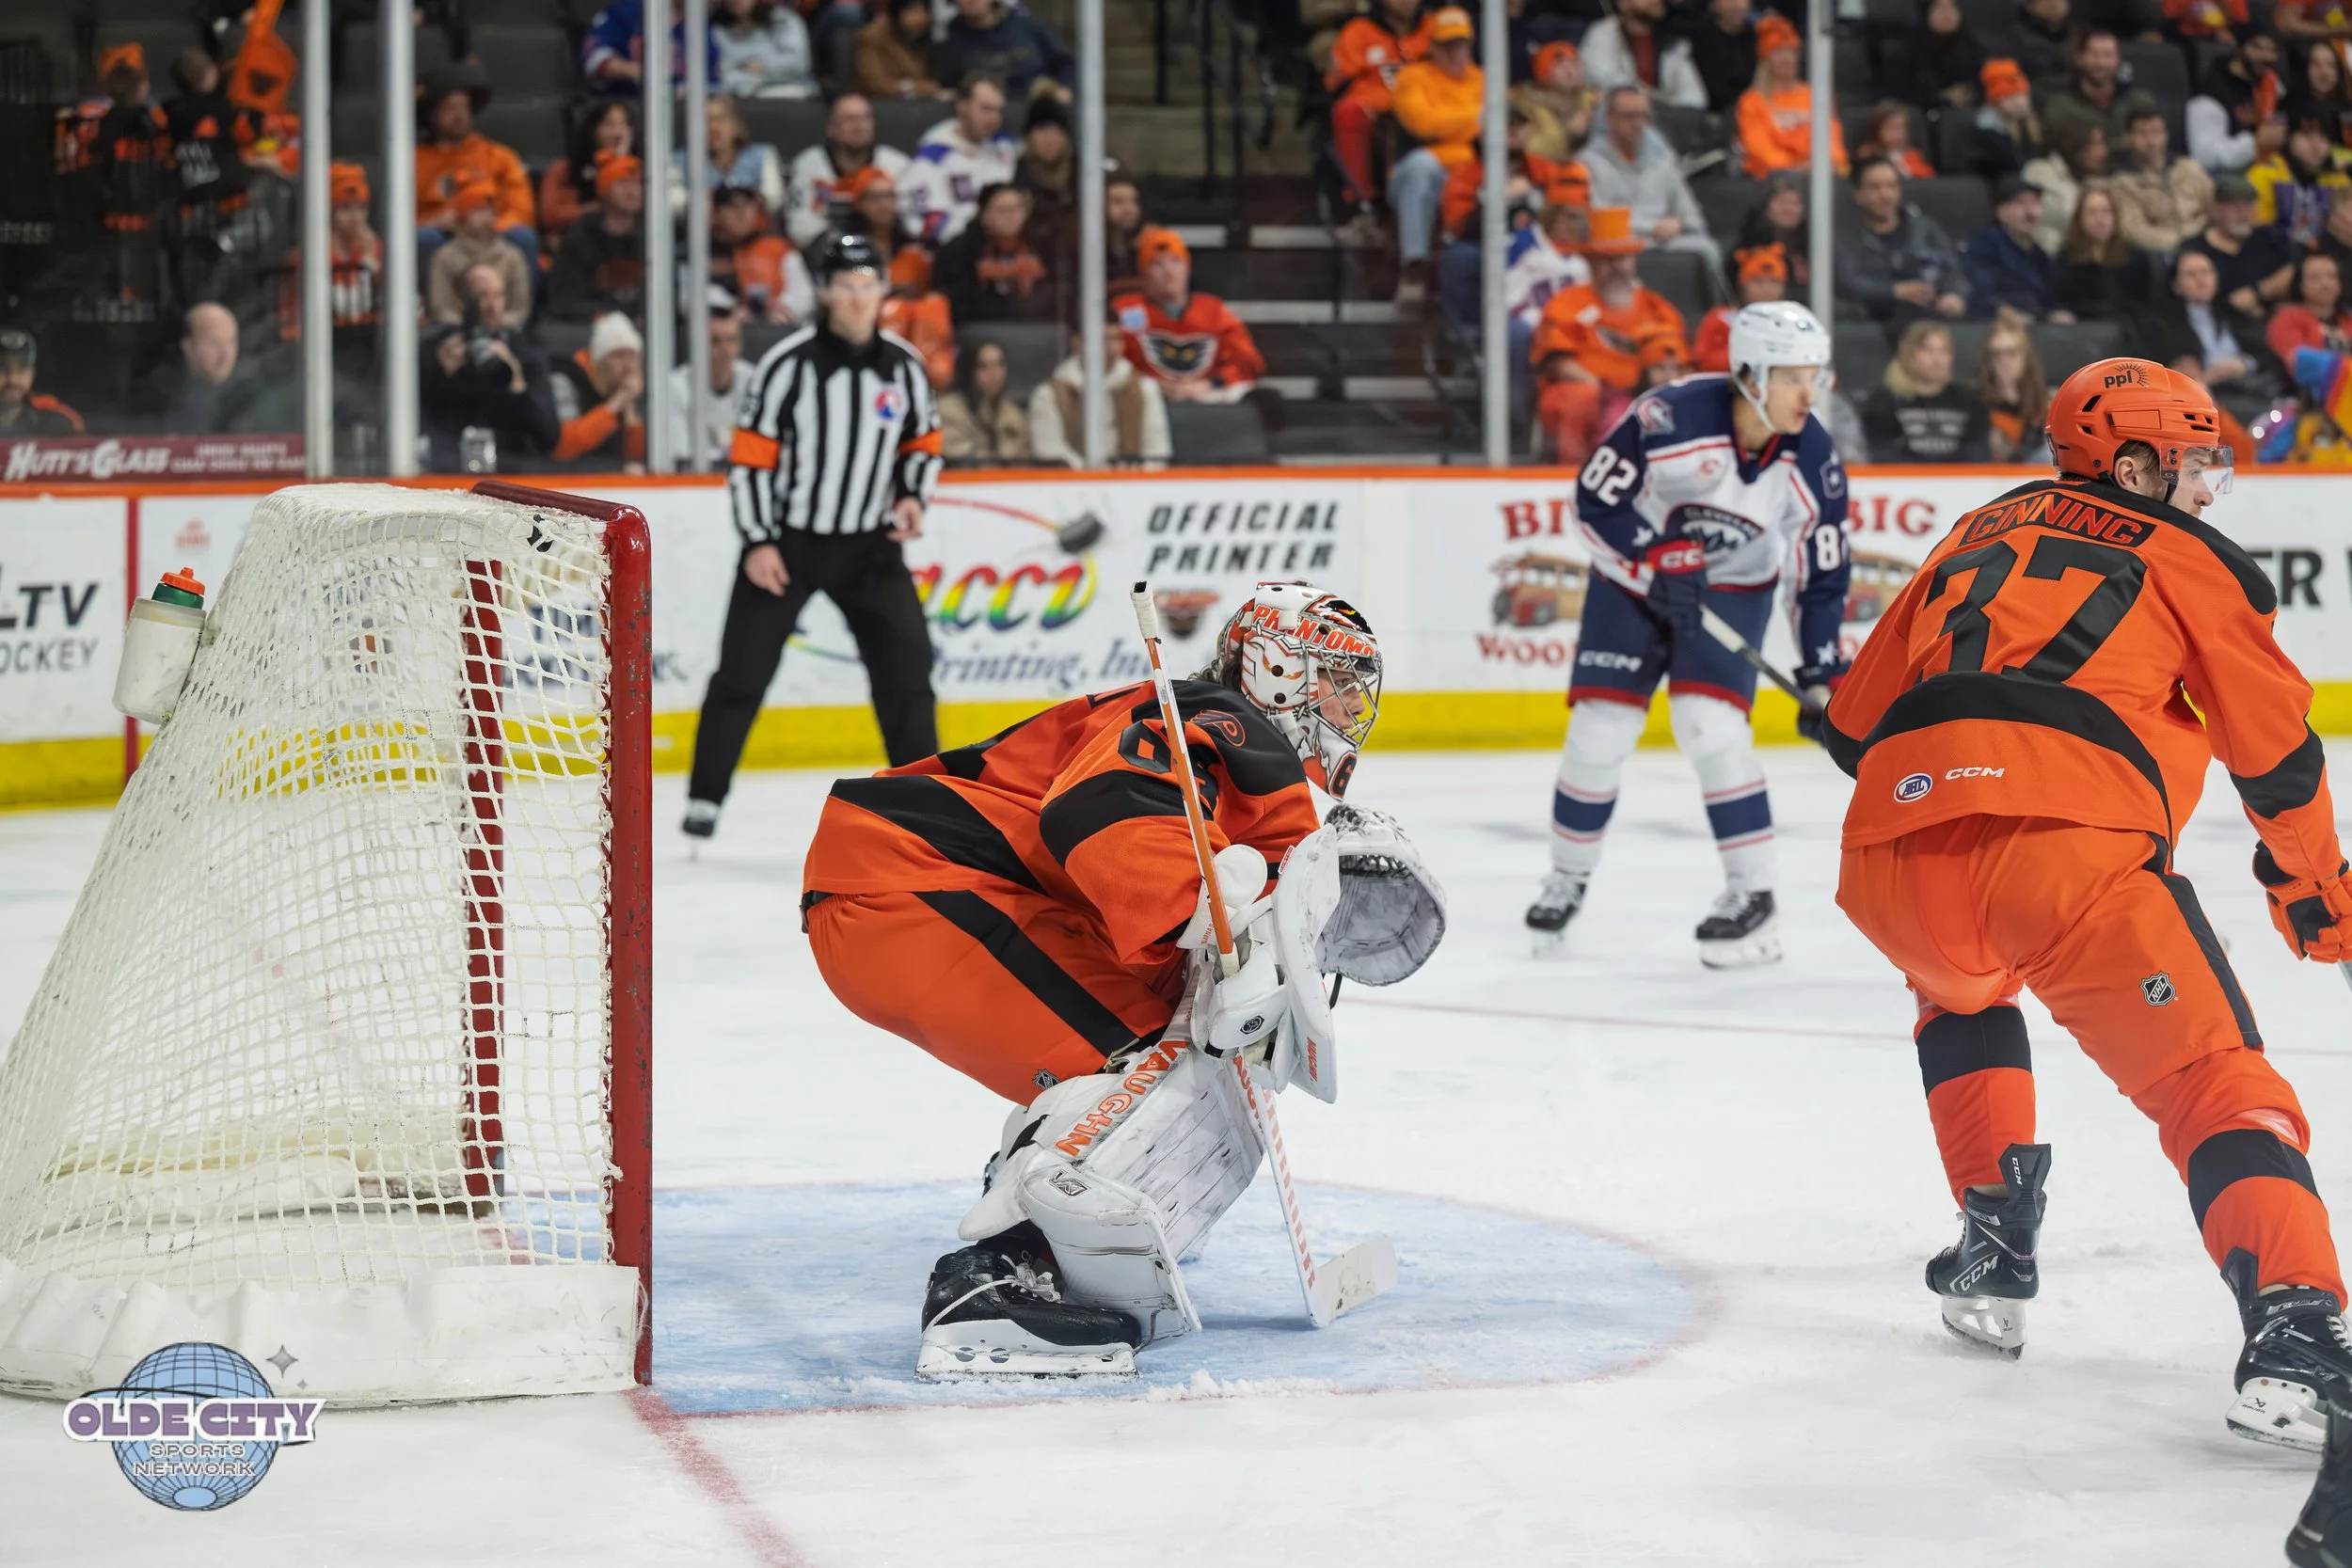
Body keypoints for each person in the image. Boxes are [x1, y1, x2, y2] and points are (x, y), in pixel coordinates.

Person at [1820, 361, 2352, 1508]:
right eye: (2194, 463)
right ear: (2132, 460)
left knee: (1960, 989)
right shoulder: (2192, 557)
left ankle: (1992, 1240)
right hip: (2066, 851)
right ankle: (2298, 1328)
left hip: (1892, 857)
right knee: (2211, 1080)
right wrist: (2312, 883)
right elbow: (2275, 750)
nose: (2206, 488)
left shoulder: (1974, 527)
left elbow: (1850, 727)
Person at [795, 584, 1428, 1379]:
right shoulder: (1221, 722)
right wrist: (1203, 912)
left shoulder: (1252, 772)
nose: (1350, 706)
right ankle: (992, 1281)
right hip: (914, 879)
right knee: (1162, 1057)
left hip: (924, 888)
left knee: (1186, 1040)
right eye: (1334, 680)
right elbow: (1096, 808)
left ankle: (1076, 1223)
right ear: (1274, 672)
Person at [1525, 300, 1848, 966]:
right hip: (1633, 582)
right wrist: (1651, 556)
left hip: (1734, 587)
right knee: (1598, 731)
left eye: (1814, 376)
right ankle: (1567, 875)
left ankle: (1754, 895)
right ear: (1750, 375)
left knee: (1711, 727)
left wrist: (1821, 671)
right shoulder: (1666, 419)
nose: (1807, 394)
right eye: (1792, 378)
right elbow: (1594, 502)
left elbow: (1821, 571)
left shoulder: (1813, 456)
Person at [685, 233, 944, 838]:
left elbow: (923, 442)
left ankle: (926, 807)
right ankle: (704, 797)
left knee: (908, 674)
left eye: (867, 285)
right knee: (741, 674)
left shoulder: (904, 366)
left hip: (871, 547)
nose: (857, 298)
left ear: (883, 291)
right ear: (825, 292)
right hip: (789, 546)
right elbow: (750, 460)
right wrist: (757, 540)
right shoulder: (787, 367)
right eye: (845, 286)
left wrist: (911, 496)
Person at [1531, 206, 1687, 465]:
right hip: (1591, 391)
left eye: (1621, 258)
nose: (1615, 267)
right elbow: (1557, 362)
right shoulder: (1566, 303)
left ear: (1633, 261)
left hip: (1644, 392)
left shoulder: (1658, 310)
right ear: (1591, 262)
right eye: (1605, 259)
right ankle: (1573, 474)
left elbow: (1675, 365)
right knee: (1577, 398)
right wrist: (1603, 391)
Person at [1388, 7, 1486, 303]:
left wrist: (1452, 125)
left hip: (1470, 173)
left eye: (1461, 44)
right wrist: (1475, 121)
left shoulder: (1483, 79)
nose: (1455, 53)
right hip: (1418, 175)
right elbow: (1424, 124)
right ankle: (1414, 267)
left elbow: (1501, 125)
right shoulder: (1412, 77)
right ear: (1432, 46)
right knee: (1421, 166)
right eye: (1447, 46)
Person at [420, 263, 558, 472]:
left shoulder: (526, 352)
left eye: (498, 296)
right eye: (482, 297)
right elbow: (420, 431)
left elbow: (549, 436)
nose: (493, 307)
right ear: (460, 302)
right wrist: (443, 378)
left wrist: (517, 384)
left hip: (513, 467)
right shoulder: (436, 351)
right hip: (450, 468)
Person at [1114, 227, 1268, 402]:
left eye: (1176, 261)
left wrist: (1212, 383)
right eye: (1157, 264)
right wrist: (1155, 385)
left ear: (1187, 268)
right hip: (1144, 400)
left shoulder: (1214, 311)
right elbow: (1111, 364)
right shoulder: (1126, 310)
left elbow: (1249, 362)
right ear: (1143, 274)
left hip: (1206, 398)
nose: (1168, 272)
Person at [414, 65, 539, 272]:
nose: (459, 115)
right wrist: (434, 222)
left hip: (493, 238)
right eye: (449, 108)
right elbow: (399, 221)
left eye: (464, 108)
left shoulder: (500, 156)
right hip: (443, 239)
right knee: (423, 238)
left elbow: (521, 211)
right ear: (433, 114)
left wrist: (487, 225)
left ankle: (519, 296)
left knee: (522, 237)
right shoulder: (414, 161)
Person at [1585, 85, 1720, 265]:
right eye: (1630, 116)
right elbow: (1595, 220)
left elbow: (1694, 219)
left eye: (1644, 116)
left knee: (1708, 249)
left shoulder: (1662, 164)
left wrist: (1679, 225)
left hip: (1667, 243)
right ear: (1609, 118)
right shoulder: (1588, 163)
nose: (1638, 124)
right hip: (1618, 248)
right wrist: (1651, 227)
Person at [1327, 0, 1437, 217]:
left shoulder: (1435, 27)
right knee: (1348, 113)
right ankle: (1359, 206)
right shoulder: (1358, 31)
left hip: (1430, 108)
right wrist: (1387, 102)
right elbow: (1338, 85)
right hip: (1377, 112)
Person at [2150, 245, 2280, 418]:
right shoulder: (2164, 323)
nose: (2200, 280)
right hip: (2207, 395)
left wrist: (2246, 363)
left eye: (2206, 272)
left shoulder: (2231, 312)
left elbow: (2266, 350)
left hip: (2250, 386)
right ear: (2176, 285)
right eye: (2191, 274)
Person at [1837, 155, 1970, 324]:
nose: (1885, 195)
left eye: (1891, 186)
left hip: (1926, 319)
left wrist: (1954, 295)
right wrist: (1894, 291)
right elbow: (1847, 282)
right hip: (1868, 322)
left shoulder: (1924, 228)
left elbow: (1953, 272)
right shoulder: (1846, 235)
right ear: (1858, 195)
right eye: (1874, 188)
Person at [1028, 326, 1172, 466]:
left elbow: (1157, 449)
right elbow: (1049, 450)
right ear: (1077, 343)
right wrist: (1094, 475)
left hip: (1133, 479)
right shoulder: (1048, 394)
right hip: (1073, 480)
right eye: (1103, 339)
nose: (1111, 347)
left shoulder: (1145, 388)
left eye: (1117, 339)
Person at [903, 74, 1020, 243]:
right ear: (962, 107)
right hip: (957, 247)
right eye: (986, 109)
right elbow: (927, 222)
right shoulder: (932, 156)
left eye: (998, 111)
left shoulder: (1006, 147)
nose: (994, 119)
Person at [787, 93, 911, 249]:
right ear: (831, 128)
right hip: (827, 249)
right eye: (849, 119)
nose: (859, 126)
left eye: (865, 118)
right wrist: (842, 243)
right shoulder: (809, 164)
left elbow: (910, 217)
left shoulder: (897, 165)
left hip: (885, 247)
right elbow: (798, 223)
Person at [1861, 319, 1993, 459]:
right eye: (1927, 350)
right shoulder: (1884, 402)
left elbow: (1977, 452)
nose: (1937, 359)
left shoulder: (1969, 402)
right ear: (1908, 354)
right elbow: (1882, 451)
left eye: (1944, 351)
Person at [1737, 14, 1848, 179]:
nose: (1787, 59)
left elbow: (1832, 138)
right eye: (1779, 52)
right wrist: (1794, 168)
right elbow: (1759, 149)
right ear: (1766, 59)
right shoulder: (1752, 101)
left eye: (1792, 52)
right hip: (1773, 178)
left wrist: (1828, 163)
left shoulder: (1815, 95)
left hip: (1818, 174)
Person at [547, 153, 647, 320]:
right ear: (604, 190)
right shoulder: (578, 240)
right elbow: (565, 302)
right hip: (593, 326)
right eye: (623, 183)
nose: (633, 191)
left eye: (639, 183)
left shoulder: (654, 240)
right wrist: (615, 317)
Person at [934, 182, 1054, 321]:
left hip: (1037, 326)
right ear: (983, 214)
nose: (1012, 216)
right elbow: (952, 301)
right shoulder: (958, 250)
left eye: (1017, 208)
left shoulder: (1043, 246)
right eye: (1003, 210)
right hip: (976, 326)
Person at [426, 177, 534, 329]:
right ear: (463, 216)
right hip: (455, 331)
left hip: (504, 331)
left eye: (490, 211)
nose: (486, 217)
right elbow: (440, 307)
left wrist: (496, 323)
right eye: (479, 211)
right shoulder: (445, 257)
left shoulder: (512, 256)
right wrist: (466, 327)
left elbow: (520, 309)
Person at [2185, 171, 2298, 315]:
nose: (2244, 213)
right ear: (2215, 210)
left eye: (2249, 206)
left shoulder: (2270, 237)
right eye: (2235, 207)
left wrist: (2258, 292)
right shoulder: (2195, 250)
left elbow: (2299, 267)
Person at [548, 310, 649, 468]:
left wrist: (630, 408)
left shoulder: (632, 389)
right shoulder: (567, 380)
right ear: (599, 362)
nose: (627, 365)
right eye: (618, 356)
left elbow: (636, 459)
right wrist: (617, 403)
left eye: (632, 356)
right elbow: (563, 447)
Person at [2109, 107, 2217, 253]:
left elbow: (2213, 207)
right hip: (2159, 252)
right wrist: (2179, 243)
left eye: (2156, 132)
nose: (2151, 141)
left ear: (2166, 135)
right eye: (2142, 134)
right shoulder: (2122, 183)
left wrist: (2203, 237)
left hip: (2203, 243)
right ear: (2129, 138)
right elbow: (2134, 230)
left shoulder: (2189, 168)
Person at [934, 0, 1075, 109]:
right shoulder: (951, 45)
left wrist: (1065, 88)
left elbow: (1066, 63)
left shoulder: (1030, 29)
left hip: (1039, 116)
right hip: (987, 124)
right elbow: (948, 89)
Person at [2052, 183, 2162, 318]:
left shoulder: (2136, 258)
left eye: (2106, 211)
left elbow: (2145, 306)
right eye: (2092, 212)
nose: (2099, 219)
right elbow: (2060, 305)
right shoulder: (2066, 260)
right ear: (2080, 219)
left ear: (2116, 217)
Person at [711, 183, 817, 324]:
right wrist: (731, 308)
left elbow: (805, 297)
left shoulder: (778, 248)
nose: (742, 213)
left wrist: (774, 309)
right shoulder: (703, 251)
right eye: (732, 206)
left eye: (748, 205)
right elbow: (694, 295)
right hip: (722, 326)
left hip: (776, 325)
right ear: (717, 213)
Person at [2188, 27, 2285, 174]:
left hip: (2270, 171)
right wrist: (2255, 143)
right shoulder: (2210, 94)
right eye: (2257, 48)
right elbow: (2205, 157)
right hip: (2227, 178)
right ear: (2239, 48)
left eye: (2272, 51)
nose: (2266, 57)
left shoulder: (2273, 84)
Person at [541, 102, 634, 254]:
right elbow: (549, 215)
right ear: (594, 130)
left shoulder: (638, 170)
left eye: (623, 126)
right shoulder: (564, 169)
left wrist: (620, 161)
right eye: (610, 125)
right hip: (572, 242)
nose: (618, 134)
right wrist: (586, 210)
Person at [2042, 28, 2159, 150]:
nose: (2101, 63)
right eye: (2094, 55)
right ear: (2080, 58)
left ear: (2118, 59)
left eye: (2108, 56)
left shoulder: (2139, 101)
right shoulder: (2063, 106)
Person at [670, 301, 755, 467]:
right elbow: (680, 452)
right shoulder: (676, 386)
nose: (724, 348)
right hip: (695, 477)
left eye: (731, 340)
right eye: (715, 341)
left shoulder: (754, 382)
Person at [580, 0, 722, 96]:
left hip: (679, 114)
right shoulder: (627, 12)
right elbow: (594, 60)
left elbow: (711, 83)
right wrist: (638, 72)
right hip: (626, 107)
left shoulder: (700, 28)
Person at [1580, 0, 1707, 108]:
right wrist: (1655, 99)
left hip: (1665, 120)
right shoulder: (1603, 33)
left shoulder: (1673, 43)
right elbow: (1605, 80)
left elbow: (1695, 99)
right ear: (1623, 3)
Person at [1963, 176, 2058, 317]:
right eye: (2021, 203)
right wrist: (2007, 313)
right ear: (2001, 211)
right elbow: (1981, 294)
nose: (2031, 213)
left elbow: (2049, 298)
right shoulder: (1985, 245)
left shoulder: (2040, 255)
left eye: (2035, 203)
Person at [2250, 119, 2352, 245]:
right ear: (2288, 138)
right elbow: (2258, 232)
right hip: (2276, 250)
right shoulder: (2263, 174)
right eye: (2307, 136)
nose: (2316, 146)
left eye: (2323, 138)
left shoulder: (2337, 179)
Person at [682, 96, 787, 217]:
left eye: (720, 119)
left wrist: (744, 200)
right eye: (706, 120)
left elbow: (774, 198)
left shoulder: (763, 156)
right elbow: (676, 203)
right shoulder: (681, 161)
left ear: (736, 125)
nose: (713, 127)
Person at [1973, 306, 2051, 459]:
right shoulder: (1976, 403)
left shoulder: (2043, 401)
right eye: (1997, 354)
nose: (2004, 361)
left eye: (2011, 353)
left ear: (2025, 357)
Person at [1695, 244, 1788, 371]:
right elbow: (1704, 362)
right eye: (1758, 281)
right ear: (1742, 285)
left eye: (1775, 282)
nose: (1767, 289)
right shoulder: (1719, 319)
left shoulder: (1792, 323)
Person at [938, 339, 1031, 463]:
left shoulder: (1013, 415)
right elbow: (957, 457)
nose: (994, 373)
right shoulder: (948, 410)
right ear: (969, 371)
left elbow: (1026, 462)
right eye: (984, 366)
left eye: (1000, 364)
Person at [2023, 120, 2109, 252]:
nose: (2103, 151)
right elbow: (2067, 216)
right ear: (2074, 147)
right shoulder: (2039, 172)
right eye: (2096, 144)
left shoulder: (2096, 180)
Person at [712, 0, 817, 99]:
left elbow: (799, 63)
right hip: (738, 96)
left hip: (790, 93)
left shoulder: (783, 21)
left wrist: (763, 66)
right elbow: (721, 70)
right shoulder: (718, 29)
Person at [1516, 39, 1597, 163]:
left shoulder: (1591, 98)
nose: (1569, 71)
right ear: (1542, 71)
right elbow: (1531, 150)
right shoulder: (1528, 104)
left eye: (1573, 63)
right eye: (1559, 65)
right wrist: (1567, 131)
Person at [2268, 249, 2352, 361]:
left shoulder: (2348, 318)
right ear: (2301, 285)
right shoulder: (2286, 319)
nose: (2325, 284)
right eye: (2315, 278)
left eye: (2331, 276)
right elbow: (2299, 362)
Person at [1970, 57, 2047, 178]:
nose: (2019, 103)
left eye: (2023, 96)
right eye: (2010, 98)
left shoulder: (2039, 125)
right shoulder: (1987, 135)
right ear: (1995, 103)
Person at [1738, 170, 1813, 291]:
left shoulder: (1815, 243)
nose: (1789, 209)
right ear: (1765, 204)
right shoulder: (1747, 247)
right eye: (1781, 202)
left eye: (1796, 203)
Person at [0, 330, 85, 436]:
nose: (12, 377)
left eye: (21, 368)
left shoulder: (58, 415)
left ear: (32, 373)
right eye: (1, 368)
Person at [1906, 0, 1986, 111]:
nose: (1947, 13)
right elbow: (1905, 90)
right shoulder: (1910, 48)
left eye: (1952, 7)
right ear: (1926, 13)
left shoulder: (1972, 47)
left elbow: (1982, 85)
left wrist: (1968, 93)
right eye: (1939, 8)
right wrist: (1942, 96)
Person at [859, 0, 944, 100]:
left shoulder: (924, 37)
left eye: (924, 11)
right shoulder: (873, 36)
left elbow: (931, 82)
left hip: (918, 101)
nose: (921, 18)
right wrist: (913, 87)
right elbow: (874, 83)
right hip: (878, 100)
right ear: (899, 12)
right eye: (915, 11)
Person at [1688, 0, 1757, 115]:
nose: (1738, 6)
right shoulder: (1701, 38)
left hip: (1753, 110)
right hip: (1713, 112)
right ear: (1714, 5)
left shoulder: (1755, 37)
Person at [1861, 101, 1935, 178]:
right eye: (1890, 128)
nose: (1896, 134)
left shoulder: (1913, 155)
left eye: (1901, 128)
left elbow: (1929, 179)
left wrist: (1906, 168)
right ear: (1877, 129)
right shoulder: (1867, 154)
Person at [1105, 177, 1147, 295]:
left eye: (1133, 201)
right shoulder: (1084, 247)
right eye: (1118, 202)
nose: (1129, 209)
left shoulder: (1143, 241)